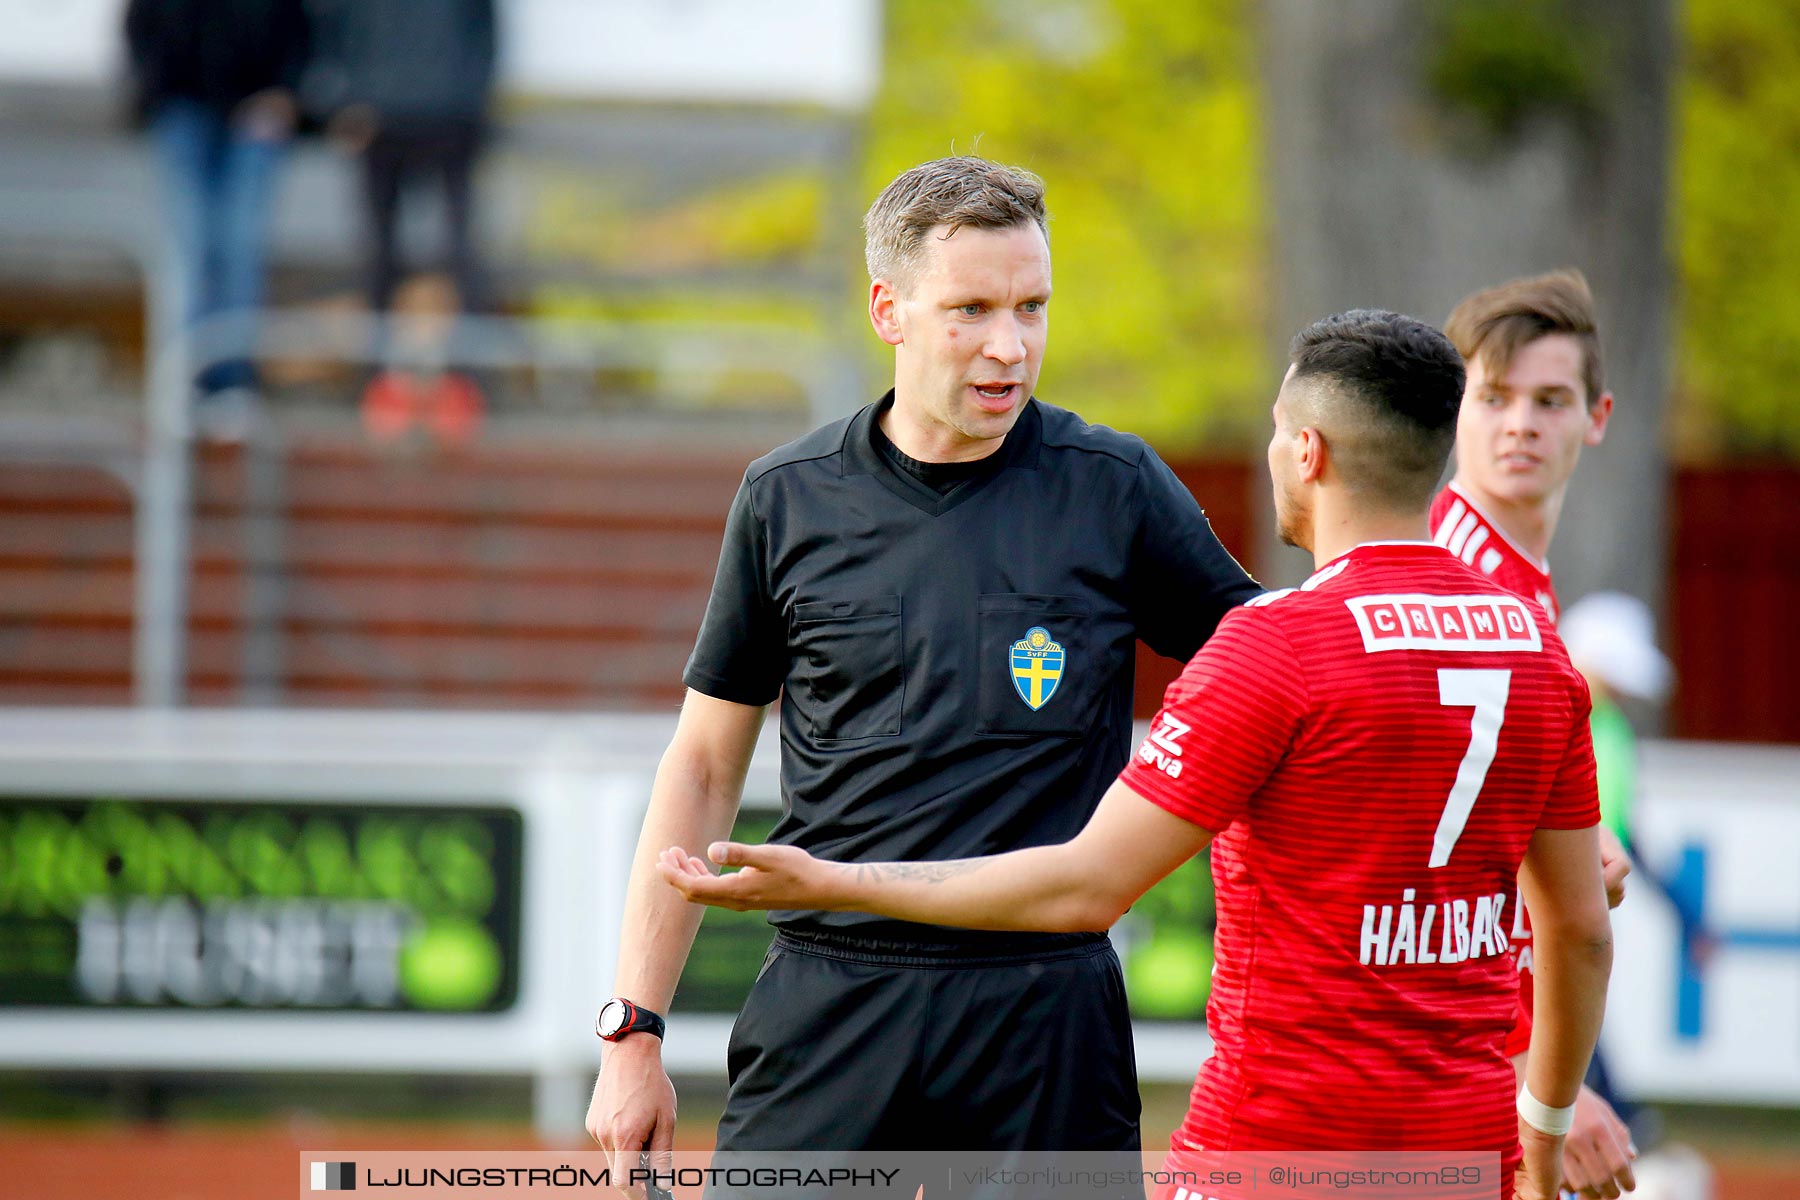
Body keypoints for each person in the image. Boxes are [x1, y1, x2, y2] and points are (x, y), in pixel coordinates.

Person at [664, 309, 1615, 1200]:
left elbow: (1084, 888)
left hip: (1277, 1143)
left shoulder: (1276, 647)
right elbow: (1578, 930)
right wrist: (1543, 1125)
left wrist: (829, 882)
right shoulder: (1535, 646)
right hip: (1464, 1148)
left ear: (1306, 452)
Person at [583, 157, 1262, 1167]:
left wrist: (1519, 836)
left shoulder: (1114, 487)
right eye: (972, 309)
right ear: (886, 309)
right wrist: (632, 1031)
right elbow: (703, 766)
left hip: (1047, 1012)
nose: (1011, 345)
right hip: (833, 997)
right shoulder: (787, 497)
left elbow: (1293, 677)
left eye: (1033, 306)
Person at [1435, 270, 1638, 1198]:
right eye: (1494, 397)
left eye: (1548, 400)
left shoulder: (1522, 588)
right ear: (1455, 410)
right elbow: (1428, 875)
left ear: (1595, 417)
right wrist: (1539, 1083)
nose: (1521, 423)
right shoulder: (1458, 589)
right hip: (1439, 1062)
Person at [125, 0, 311, 431]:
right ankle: (183, 377)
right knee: (190, 246)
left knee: (240, 245)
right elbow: (142, 22)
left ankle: (232, 380)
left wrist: (285, 91)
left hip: (255, 105)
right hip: (182, 103)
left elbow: (297, 23)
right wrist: (153, 90)